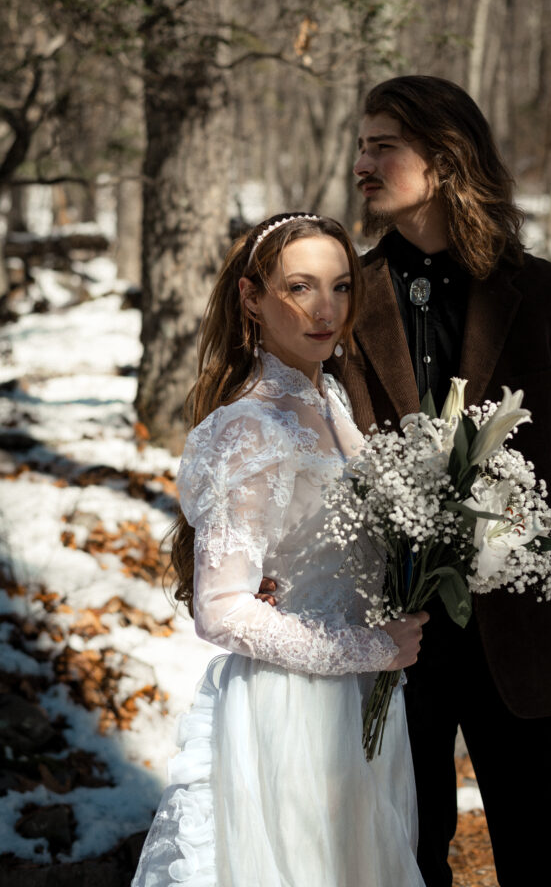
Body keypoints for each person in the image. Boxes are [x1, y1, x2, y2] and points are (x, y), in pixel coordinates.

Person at [327, 75, 551, 887]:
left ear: (447, 159)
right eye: (360, 143)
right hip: (388, 629)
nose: (363, 161)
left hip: (522, 624)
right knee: (400, 860)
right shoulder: (342, 298)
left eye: (383, 144)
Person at [132, 212, 428, 887]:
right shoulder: (251, 427)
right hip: (292, 709)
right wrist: (367, 648)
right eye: (300, 288)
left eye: (341, 287)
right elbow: (223, 609)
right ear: (251, 298)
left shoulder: (330, 398)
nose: (326, 310)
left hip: (358, 702)